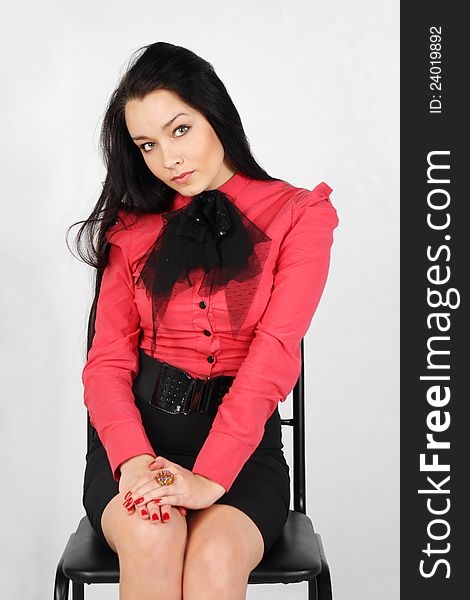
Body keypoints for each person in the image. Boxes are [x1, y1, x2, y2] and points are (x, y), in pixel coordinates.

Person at [70, 41, 339, 599]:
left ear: (214, 114)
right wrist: (136, 462)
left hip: (242, 457)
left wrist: (209, 476)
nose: (168, 158)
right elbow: (106, 366)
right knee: (153, 535)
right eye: (147, 144)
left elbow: (275, 353)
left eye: (180, 129)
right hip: (135, 444)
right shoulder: (132, 227)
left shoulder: (298, 217)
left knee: (215, 556)